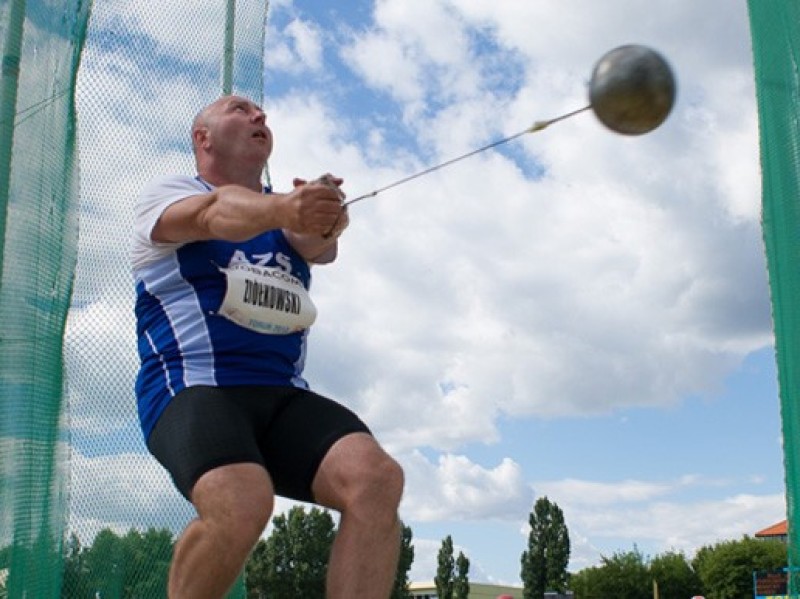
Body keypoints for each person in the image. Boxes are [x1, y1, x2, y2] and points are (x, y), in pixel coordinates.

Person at [131, 95, 404, 599]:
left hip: (279, 396)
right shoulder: (167, 194)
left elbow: (318, 244)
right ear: (203, 138)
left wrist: (322, 213)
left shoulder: (282, 216)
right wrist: (286, 207)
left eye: (262, 114)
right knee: (241, 501)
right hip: (193, 388)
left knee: (375, 479)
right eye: (240, 109)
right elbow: (215, 214)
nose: (260, 117)